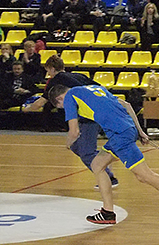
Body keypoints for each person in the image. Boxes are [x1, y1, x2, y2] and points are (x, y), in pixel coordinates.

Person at [49, 82, 159, 228]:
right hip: (124, 131)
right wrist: (139, 131)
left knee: (144, 175)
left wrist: (68, 144)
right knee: (97, 165)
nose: (65, 108)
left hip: (120, 135)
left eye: (62, 107)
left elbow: (74, 132)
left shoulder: (69, 97)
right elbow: (127, 105)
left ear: (59, 99)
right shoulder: (94, 88)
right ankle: (107, 212)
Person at [22, 54, 119, 188]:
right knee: (76, 146)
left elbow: (40, 103)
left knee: (86, 153)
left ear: (52, 68)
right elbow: (101, 89)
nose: (48, 74)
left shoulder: (56, 81)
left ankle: (109, 178)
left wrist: (27, 109)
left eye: (48, 71)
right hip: (103, 112)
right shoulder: (78, 76)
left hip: (90, 116)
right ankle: (104, 161)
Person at [0, 61, 40, 132]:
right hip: (8, 96)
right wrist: (14, 91)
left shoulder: (27, 78)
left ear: (22, 70)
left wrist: (25, 91)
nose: (16, 71)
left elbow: (35, 89)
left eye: (18, 69)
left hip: (19, 99)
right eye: (15, 69)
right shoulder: (7, 76)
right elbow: (3, 88)